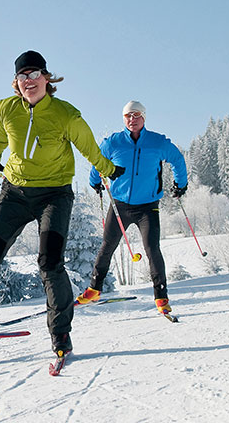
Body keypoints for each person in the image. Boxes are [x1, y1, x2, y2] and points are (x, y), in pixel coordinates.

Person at [0, 50, 123, 359]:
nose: (29, 81)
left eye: (35, 74)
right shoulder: (6, 109)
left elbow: (88, 147)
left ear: (47, 79)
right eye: (23, 76)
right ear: (16, 83)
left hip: (55, 195)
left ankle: (61, 333)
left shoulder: (66, 115)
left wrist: (108, 168)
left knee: (50, 263)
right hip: (14, 194)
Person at [77, 100, 188, 316]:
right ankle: (94, 289)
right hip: (120, 204)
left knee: (152, 249)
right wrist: (94, 181)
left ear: (144, 118)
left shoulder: (157, 142)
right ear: (123, 119)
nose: (132, 119)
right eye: (128, 116)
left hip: (148, 206)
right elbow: (97, 160)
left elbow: (177, 159)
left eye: (136, 115)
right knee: (107, 246)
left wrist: (180, 183)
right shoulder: (114, 142)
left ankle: (161, 297)